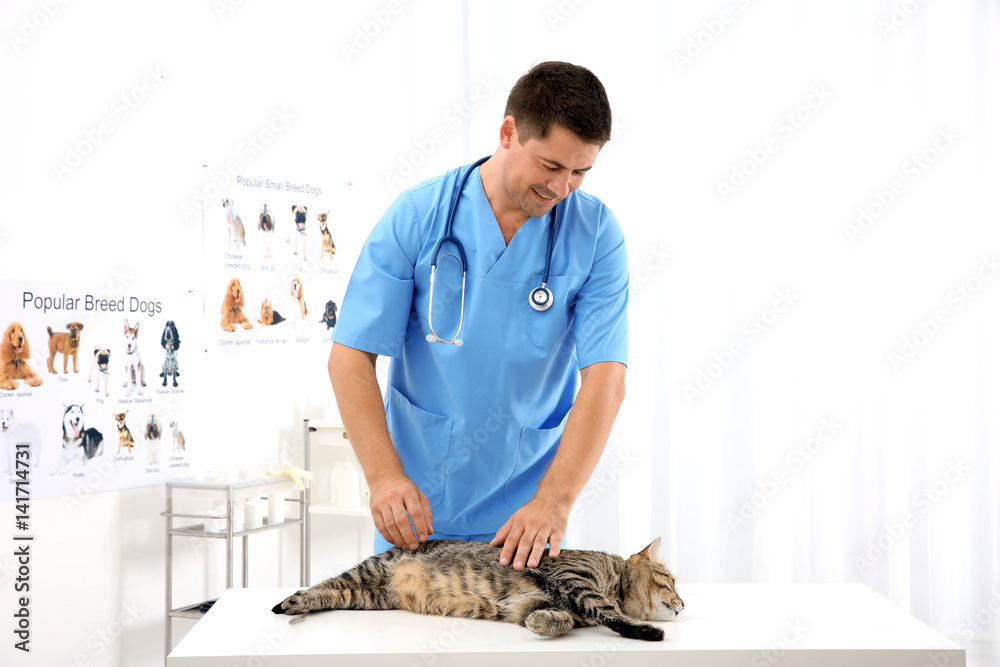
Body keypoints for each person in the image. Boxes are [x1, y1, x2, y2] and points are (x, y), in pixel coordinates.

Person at [329, 61, 628, 571]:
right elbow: (350, 357)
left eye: (581, 171)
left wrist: (554, 501)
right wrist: (383, 477)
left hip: (526, 523)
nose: (563, 189)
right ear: (508, 132)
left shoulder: (595, 233)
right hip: (415, 508)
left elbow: (605, 379)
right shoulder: (420, 215)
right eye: (551, 166)